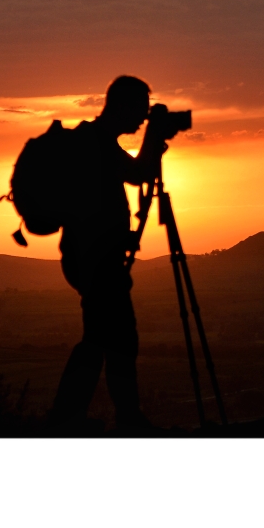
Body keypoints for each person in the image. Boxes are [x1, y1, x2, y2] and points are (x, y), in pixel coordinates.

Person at [49, 75, 167, 435]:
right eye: (141, 112)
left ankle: (83, 417)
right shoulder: (95, 141)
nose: (143, 119)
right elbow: (139, 173)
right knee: (108, 337)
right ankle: (83, 419)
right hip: (95, 260)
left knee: (109, 336)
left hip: (94, 257)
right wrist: (155, 139)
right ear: (122, 106)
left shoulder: (93, 139)